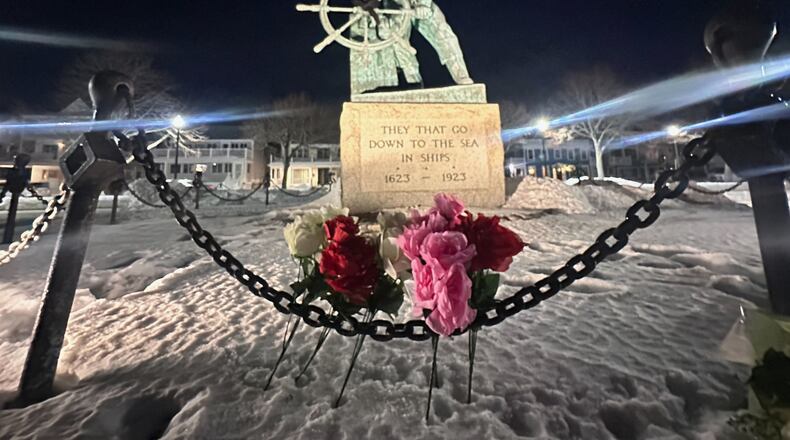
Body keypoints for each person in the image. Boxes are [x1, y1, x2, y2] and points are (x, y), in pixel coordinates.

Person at [410, 0, 473, 85]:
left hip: (416, 5)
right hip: (391, 6)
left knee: (444, 34)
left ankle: (460, 72)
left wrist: (424, 4)